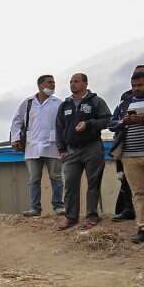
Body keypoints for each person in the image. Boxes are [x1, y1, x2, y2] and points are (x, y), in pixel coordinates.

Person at [108, 69, 144, 243]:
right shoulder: (124, 104)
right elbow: (111, 124)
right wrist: (124, 121)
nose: (136, 88)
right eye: (133, 86)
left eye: (140, 85)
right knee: (139, 193)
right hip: (130, 156)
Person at [56, 73, 111, 230]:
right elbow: (59, 127)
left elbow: (108, 120)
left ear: (85, 84)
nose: (72, 84)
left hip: (92, 147)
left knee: (93, 183)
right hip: (71, 150)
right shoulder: (65, 105)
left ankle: (92, 216)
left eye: (76, 81)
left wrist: (89, 124)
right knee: (70, 184)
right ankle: (71, 217)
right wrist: (61, 148)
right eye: (71, 82)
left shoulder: (96, 101)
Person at [10, 75, 64, 217]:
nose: (53, 85)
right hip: (32, 146)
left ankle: (59, 206)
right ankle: (35, 208)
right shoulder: (28, 103)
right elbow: (17, 121)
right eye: (49, 82)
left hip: (53, 146)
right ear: (40, 85)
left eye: (54, 82)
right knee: (34, 179)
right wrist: (15, 138)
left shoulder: (58, 103)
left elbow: (64, 123)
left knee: (56, 177)